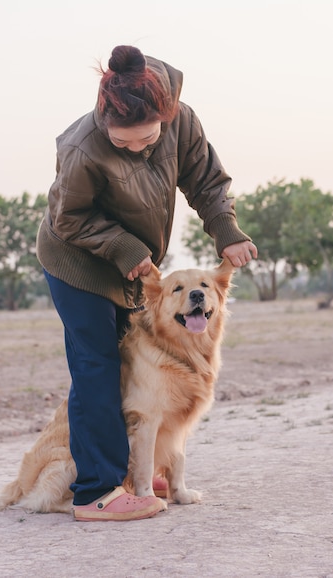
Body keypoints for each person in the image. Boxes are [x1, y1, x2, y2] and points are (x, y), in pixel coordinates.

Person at [36, 45, 258, 521]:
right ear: (105, 118)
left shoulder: (182, 121)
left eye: (148, 138)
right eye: (124, 143)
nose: (138, 147)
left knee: (133, 369)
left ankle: (128, 471)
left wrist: (227, 231)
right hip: (79, 262)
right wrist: (126, 249)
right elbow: (68, 217)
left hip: (133, 264)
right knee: (98, 364)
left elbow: (207, 182)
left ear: (166, 113)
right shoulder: (81, 146)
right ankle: (96, 492)